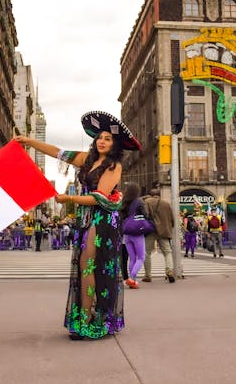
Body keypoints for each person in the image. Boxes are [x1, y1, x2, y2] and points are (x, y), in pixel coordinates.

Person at [14, 110, 141, 340]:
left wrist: (69, 199)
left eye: (107, 138)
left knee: (89, 264)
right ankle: (86, 314)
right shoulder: (87, 159)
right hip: (86, 219)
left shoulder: (114, 166)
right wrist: (28, 141)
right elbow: (57, 152)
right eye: (100, 137)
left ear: (114, 144)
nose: (102, 141)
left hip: (103, 220)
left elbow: (100, 197)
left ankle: (89, 317)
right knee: (86, 267)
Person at [142, 188, 176, 283]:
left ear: (151, 194)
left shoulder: (147, 202)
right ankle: (169, 271)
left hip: (150, 231)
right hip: (164, 231)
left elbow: (145, 215)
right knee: (167, 252)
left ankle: (148, 275)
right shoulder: (166, 204)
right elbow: (172, 219)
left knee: (146, 253)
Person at [120, 182, 147, 289]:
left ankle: (133, 282)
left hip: (126, 234)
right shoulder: (139, 202)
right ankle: (132, 278)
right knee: (141, 257)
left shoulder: (123, 202)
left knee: (132, 258)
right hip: (137, 233)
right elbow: (145, 215)